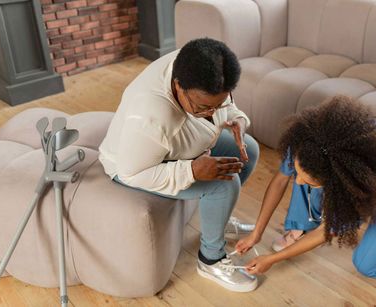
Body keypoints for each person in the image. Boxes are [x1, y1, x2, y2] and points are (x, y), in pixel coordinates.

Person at [99, 38, 259, 292]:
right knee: (223, 183)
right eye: (205, 107)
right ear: (178, 87)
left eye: (219, 104)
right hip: (137, 165)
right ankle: (210, 259)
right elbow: (133, 172)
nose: (212, 114)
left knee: (249, 149)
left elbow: (222, 104)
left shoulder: (195, 66)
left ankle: (218, 221)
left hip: (175, 145)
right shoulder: (151, 116)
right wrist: (192, 170)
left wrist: (235, 118)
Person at [236, 96, 376, 279]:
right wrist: (257, 233)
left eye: (307, 180)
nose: (297, 182)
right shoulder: (309, 144)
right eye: (297, 172)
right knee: (306, 177)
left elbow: (328, 230)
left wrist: (273, 259)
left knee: (369, 266)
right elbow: (281, 180)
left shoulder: (358, 178)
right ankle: (302, 224)